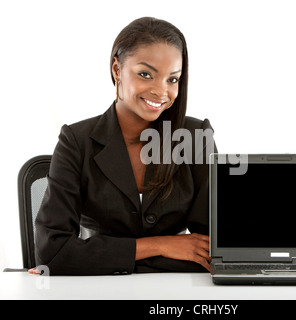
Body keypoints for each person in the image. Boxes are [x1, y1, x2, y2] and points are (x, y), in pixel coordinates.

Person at [29, 17, 216, 276]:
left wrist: (92, 257)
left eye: (172, 80)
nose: (161, 92)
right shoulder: (76, 141)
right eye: (145, 74)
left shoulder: (195, 136)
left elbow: (209, 251)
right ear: (117, 69)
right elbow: (54, 252)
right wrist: (161, 246)